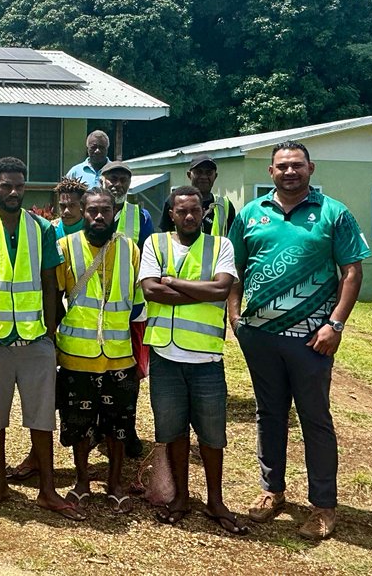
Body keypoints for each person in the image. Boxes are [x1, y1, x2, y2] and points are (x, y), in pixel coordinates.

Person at [227, 141, 370, 540]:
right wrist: (235, 317)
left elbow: (352, 273)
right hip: (259, 337)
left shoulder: (333, 213)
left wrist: (335, 324)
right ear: (270, 172)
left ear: (311, 168)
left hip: (312, 340)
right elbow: (233, 268)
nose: (290, 172)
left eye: (297, 166)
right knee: (269, 414)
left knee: (314, 419)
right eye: (282, 166)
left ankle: (323, 504)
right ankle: (272, 491)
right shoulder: (251, 215)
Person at [0, 157, 79, 519]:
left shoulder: (42, 230)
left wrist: (50, 336)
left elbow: (51, 286)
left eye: (19, 186)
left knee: (41, 418)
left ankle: (47, 490)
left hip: (35, 340)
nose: (13, 192)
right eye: (6, 186)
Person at [141, 186, 247, 535]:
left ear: (204, 212)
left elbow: (221, 290)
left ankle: (215, 500)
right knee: (172, 432)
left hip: (205, 358)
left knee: (212, 435)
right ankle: (181, 497)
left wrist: (173, 281)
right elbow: (151, 291)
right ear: (171, 213)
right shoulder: (154, 244)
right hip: (164, 356)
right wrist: (197, 289)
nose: (189, 216)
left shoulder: (221, 246)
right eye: (181, 211)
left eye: (195, 210)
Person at [53, 185, 148, 518]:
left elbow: (139, 308)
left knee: (119, 424)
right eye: (92, 210)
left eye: (105, 210)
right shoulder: (64, 248)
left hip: (120, 356)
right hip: (76, 355)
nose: (97, 216)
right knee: (77, 422)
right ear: (82, 210)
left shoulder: (132, 251)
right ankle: (81, 482)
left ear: (114, 213)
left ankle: (114, 483)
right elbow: (53, 302)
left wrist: (141, 356)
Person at [159, 155, 236, 236]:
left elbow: (233, 237)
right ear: (189, 175)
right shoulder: (174, 201)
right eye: (198, 172)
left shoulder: (224, 206)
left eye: (209, 173)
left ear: (215, 176)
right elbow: (165, 237)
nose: (204, 177)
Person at [99, 160, 153, 247]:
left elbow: (147, 252)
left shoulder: (142, 216)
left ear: (129, 184)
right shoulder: (90, 212)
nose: (118, 184)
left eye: (123, 180)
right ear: (101, 182)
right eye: (113, 179)